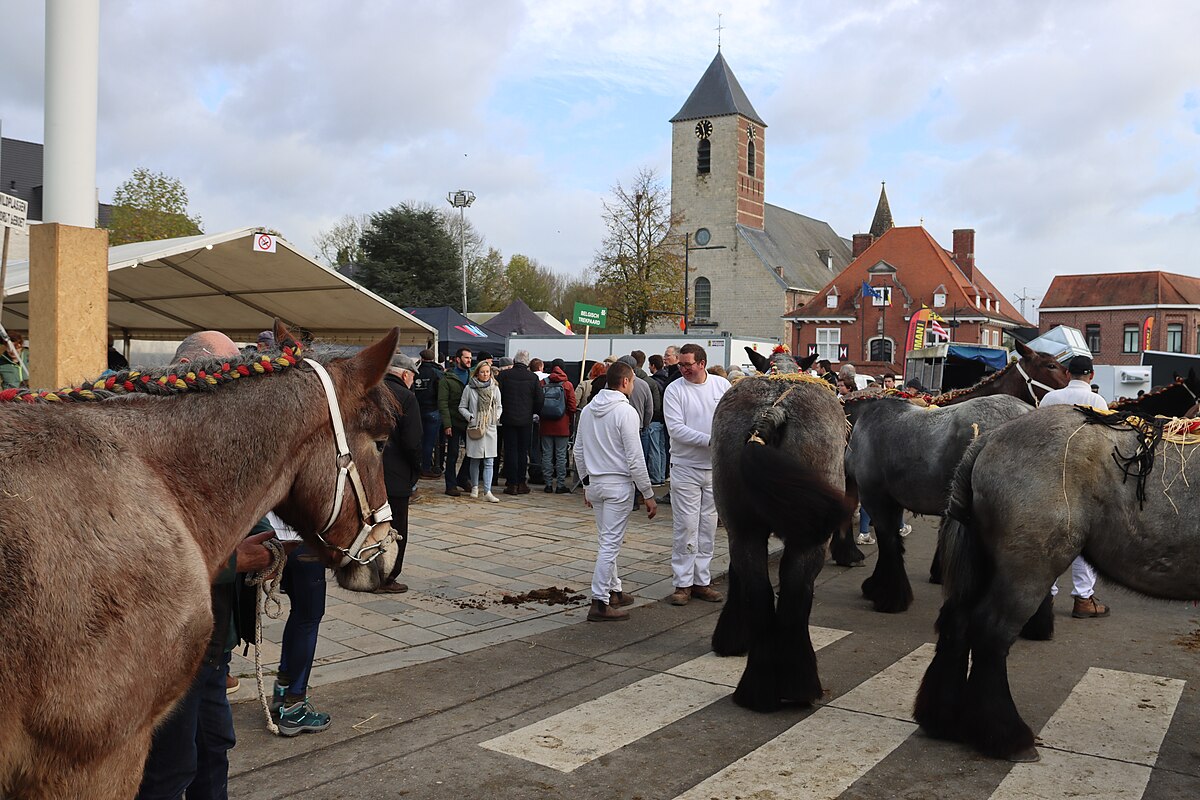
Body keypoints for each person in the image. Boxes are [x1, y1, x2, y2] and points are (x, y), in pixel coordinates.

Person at [138, 331, 277, 799]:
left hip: (213, 646)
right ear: (191, 370)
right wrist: (234, 561)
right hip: (167, 647)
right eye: (227, 375)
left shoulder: (212, 442)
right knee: (168, 769)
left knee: (214, 748)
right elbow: (145, 560)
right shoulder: (150, 447)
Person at [574, 360, 657, 621]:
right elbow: (635, 458)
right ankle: (600, 601)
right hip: (617, 484)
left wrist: (586, 483)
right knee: (609, 544)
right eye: (632, 381)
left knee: (606, 540)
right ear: (625, 382)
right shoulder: (626, 412)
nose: (632, 385)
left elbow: (578, 450)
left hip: (596, 483)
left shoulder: (588, 410)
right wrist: (648, 493)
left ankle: (614, 589)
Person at [1039, 355, 1112, 619]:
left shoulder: (1049, 399)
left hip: (1050, 478)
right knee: (1084, 542)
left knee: (1050, 539)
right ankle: (1083, 599)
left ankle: (1045, 596)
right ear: (1091, 376)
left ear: (1067, 373)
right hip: (1085, 480)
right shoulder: (1098, 401)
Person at [663, 343, 730, 605]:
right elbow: (676, 429)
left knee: (708, 526)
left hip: (714, 468)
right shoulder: (674, 390)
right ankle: (682, 583)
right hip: (685, 467)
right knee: (686, 526)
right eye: (680, 364)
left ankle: (702, 580)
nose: (683, 369)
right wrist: (711, 440)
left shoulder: (721, 386)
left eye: (687, 364)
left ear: (701, 363)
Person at [268, 513, 331, 736]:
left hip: (278, 537)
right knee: (309, 618)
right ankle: (295, 705)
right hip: (301, 539)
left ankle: (282, 691)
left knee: (299, 615)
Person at [377, 353, 423, 593]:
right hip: (396, 474)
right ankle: (387, 576)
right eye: (413, 377)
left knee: (372, 526)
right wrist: (416, 469)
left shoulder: (370, 391)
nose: (413, 382)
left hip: (367, 473)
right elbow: (412, 441)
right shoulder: (407, 397)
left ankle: (364, 573)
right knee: (396, 528)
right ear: (405, 374)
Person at [496, 349, 542, 495]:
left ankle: (512, 483)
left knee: (510, 451)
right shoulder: (533, 378)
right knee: (523, 451)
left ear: (514, 361)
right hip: (526, 419)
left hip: (508, 418)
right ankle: (521, 482)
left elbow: (498, 396)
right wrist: (533, 411)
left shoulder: (504, 375)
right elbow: (540, 398)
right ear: (527, 363)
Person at [459, 360, 503, 502]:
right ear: (477, 373)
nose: (485, 374)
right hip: (475, 426)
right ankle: (475, 487)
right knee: (475, 458)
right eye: (483, 372)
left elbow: (499, 406)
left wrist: (496, 417)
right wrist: (470, 416)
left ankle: (488, 491)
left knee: (490, 459)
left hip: (490, 426)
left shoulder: (494, 388)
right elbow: (462, 406)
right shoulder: (469, 388)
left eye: (487, 372)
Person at [438, 348, 474, 497]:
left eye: (470, 358)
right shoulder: (447, 379)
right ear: (458, 359)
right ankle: (451, 484)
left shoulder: (472, 376)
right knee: (452, 454)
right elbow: (443, 402)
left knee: (473, 452)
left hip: (469, 421)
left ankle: (463, 477)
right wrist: (447, 424)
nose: (469, 360)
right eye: (466, 358)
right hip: (453, 421)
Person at [540, 360, 578, 493]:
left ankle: (548, 484)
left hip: (545, 424)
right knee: (561, 455)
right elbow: (573, 406)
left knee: (547, 454)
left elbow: (538, 402)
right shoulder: (567, 384)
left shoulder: (543, 383)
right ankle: (560, 485)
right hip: (562, 425)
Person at [413, 349, 443, 478]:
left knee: (418, 440)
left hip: (418, 409)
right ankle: (426, 468)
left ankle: (417, 466)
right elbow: (440, 392)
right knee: (429, 442)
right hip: (433, 410)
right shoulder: (437, 372)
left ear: (422, 358)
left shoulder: (415, 372)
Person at [645, 354, 668, 486]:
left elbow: (653, 404)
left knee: (654, 449)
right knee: (661, 449)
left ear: (653, 366)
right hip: (662, 419)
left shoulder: (652, 382)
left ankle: (655, 477)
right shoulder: (667, 378)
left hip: (654, 418)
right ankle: (661, 476)